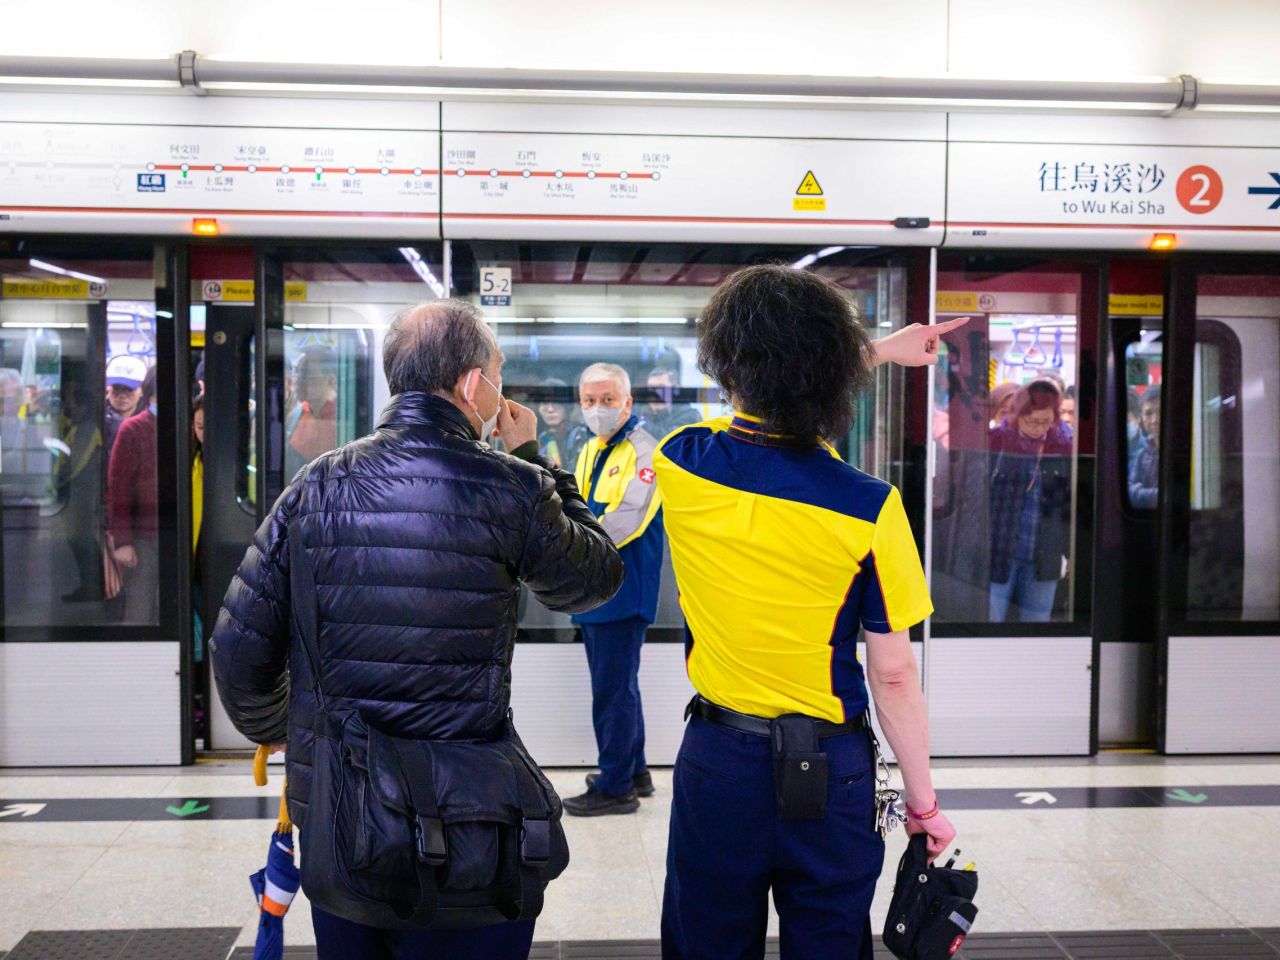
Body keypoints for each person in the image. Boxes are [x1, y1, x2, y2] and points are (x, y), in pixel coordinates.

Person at [210, 299, 624, 960]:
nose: (499, 393)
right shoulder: (513, 487)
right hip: (471, 829)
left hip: (342, 829)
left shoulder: (313, 488)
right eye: (496, 375)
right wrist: (539, 462)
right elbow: (597, 576)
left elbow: (236, 650)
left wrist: (294, 733)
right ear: (469, 385)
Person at [654, 265, 963, 959]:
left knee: (704, 942)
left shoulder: (684, 462)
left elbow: (764, 380)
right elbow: (892, 676)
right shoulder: (870, 507)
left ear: (725, 364)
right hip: (831, 771)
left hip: (717, 760)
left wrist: (874, 350)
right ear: (835, 380)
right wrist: (924, 806)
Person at [564, 363, 664, 817]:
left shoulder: (646, 451)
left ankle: (615, 786)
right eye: (589, 401)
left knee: (612, 691)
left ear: (628, 402)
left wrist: (571, 546)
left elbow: (628, 517)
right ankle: (634, 771)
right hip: (595, 587)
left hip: (622, 590)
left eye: (607, 400)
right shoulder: (590, 449)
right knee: (620, 685)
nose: (597, 409)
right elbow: (579, 503)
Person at [988, 378, 1073, 623]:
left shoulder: (1062, 447)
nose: (1038, 428)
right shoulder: (996, 442)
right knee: (990, 623)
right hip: (1000, 550)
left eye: (1045, 421)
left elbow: (1068, 506)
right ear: (1017, 414)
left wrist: (1069, 553)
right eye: (1031, 420)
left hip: (1044, 553)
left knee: (1037, 626)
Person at [107, 364, 159, 624]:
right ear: (148, 395)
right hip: (143, 537)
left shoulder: (190, 426)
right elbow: (118, 489)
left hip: (180, 535)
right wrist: (123, 541)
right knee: (140, 609)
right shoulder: (133, 429)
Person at [285, 347, 339, 478]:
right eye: (296, 372)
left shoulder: (341, 420)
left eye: (306, 374)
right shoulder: (296, 415)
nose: (298, 380)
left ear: (330, 380)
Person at [104, 355, 147, 460]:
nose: (122, 395)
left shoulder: (148, 424)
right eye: (117, 389)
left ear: (142, 391)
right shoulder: (98, 421)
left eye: (129, 389)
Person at [643, 368, 700, 440]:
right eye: (651, 388)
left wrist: (644, 427)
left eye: (661, 388)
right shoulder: (643, 413)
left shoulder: (690, 415)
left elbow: (674, 440)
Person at [1128, 384, 1161, 509]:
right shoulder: (1143, 454)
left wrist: (1139, 492)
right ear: (1141, 418)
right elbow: (1128, 491)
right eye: (1148, 413)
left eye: (1160, 411)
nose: (1154, 420)